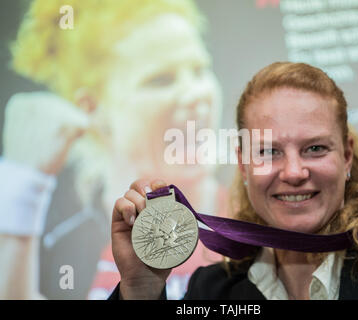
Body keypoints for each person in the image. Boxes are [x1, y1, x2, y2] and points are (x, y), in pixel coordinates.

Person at [109, 62, 358, 300]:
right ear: (243, 164)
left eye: (315, 148)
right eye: (268, 151)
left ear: (346, 156)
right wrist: (140, 291)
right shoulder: (208, 293)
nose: (294, 173)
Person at [0, 0, 223, 299]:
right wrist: (22, 191)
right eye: (161, 79)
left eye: (200, 69)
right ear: (93, 108)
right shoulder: (59, 245)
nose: (197, 92)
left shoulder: (257, 219)